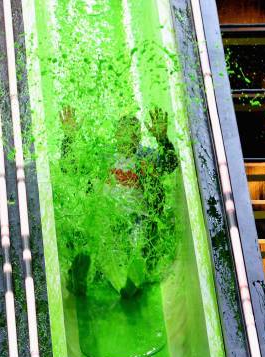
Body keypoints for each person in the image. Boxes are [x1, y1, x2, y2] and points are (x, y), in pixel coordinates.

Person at [59, 106, 178, 298]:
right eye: (123, 131)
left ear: (138, 138)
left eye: (133, 133)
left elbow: (170, 164)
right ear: (116, 134)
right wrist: (69, 138)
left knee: (139, 240)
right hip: (106, 217)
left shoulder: (145, 156)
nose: (128, 137)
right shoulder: (103, 154)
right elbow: (69, 168)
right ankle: (80, 276)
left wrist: (163, 140)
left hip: (135, 219)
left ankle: (132, 280)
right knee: (91, 229)